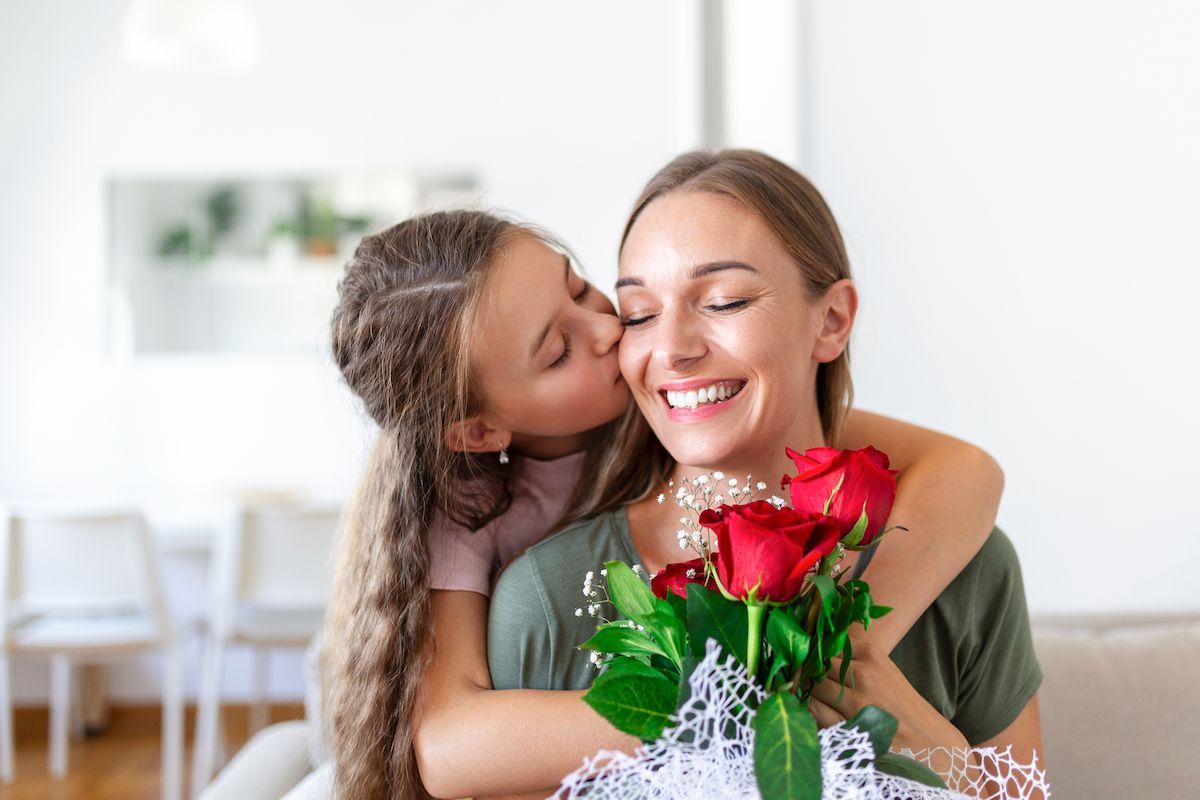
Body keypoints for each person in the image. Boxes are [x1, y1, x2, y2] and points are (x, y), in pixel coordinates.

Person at [324, 208, 1006, 800]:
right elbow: (447, 748)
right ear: (478, 431)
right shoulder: (470, 509)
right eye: (560, 350)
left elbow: (966, 469)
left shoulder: (683, 413)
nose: (608, 332)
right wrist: (736, 700)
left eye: (582, 289)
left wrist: (848, 654)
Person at [487, 150, 1043, 796]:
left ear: (831, 321)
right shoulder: (547, 599)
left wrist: (944, 761)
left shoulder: (967, 568)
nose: (670, 348)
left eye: (723, 302)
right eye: (638, 313)